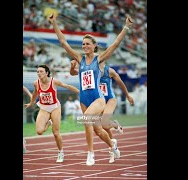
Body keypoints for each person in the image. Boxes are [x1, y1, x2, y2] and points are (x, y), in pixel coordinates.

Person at [48, 13, 134, 165]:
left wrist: (126, 27)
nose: (85, 46)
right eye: (83, 44)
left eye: (88, 44)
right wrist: (54, 23)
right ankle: (113, 145)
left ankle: (90, 154)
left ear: (94, 46)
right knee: (98, 130)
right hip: (83, 98)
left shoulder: (99, 59)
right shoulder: (80, 59)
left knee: (87, 118)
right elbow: (63, 43)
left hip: (98, 98)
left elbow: (114, 45)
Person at [70, 60, 134, 163]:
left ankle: (115, 124)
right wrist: (72, 68)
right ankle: (113, 147)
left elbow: (120, 82)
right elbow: (75, 73)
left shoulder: (110, 71)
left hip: (109, 99)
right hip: (97, 100)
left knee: (104, 123)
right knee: (99, 129)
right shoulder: (90, 70)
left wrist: (127, 95)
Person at [24, 64, 79, 163]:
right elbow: (35, 94)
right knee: (39, 131)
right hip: (44, 108)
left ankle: (60, 152)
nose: (39, 73)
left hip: (55, 107)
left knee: (56, 133)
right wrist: (31, 103)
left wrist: (80, 93)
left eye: (41, 71)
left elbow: (67, 86)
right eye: (37, 72)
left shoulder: (54, 81)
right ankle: (49, 122)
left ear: (47, 73)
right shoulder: (36, 83)